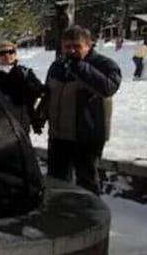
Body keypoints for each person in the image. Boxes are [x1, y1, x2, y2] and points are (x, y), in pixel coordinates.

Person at [38, 25, 121, 195]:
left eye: (77, 46)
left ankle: (91, 217)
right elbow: (49, 94)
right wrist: (40, 116)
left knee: (87, 180)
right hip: (59, 134)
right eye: (67, 47)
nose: (72, 51)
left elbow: (108, 88)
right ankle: (59, 212)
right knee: (56, 179)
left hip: (87, 135)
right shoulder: (57, 65)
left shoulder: (104, 64)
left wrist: (80, 67)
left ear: (88, 45)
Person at [0, 41, 45, 146]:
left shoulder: (24, 73)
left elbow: (37, 92)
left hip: (19, 124)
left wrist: (27, 85)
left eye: (10, 51)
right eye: (2, 53)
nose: (7, 55)